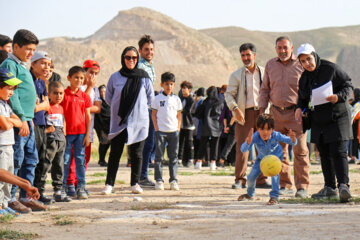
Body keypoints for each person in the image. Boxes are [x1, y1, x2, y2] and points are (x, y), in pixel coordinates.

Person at [295, 43, 353, 202]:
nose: (307, 63)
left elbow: (348, 85)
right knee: (324, 154)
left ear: (314, 55)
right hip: (318, 119)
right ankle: (330, 188)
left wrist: (338, 96)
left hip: (337, 116)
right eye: (303, 61)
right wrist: (299, 109)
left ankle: (343, 187)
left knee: (338, 151)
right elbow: (302, 98)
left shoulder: (331, 68)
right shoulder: (304, 78)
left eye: (309, 59)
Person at [1, 29, 47, 213]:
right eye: (27, 49)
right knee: (16, 161)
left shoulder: (21, 65)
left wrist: (29, 118)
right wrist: (22, 118)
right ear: (16, 46)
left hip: (28, 120)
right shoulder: (9, 65)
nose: (30, 53)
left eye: (33, 50)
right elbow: (13, 95)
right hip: (20, 122)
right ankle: (10, 199)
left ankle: (26, 196)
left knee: (31, 159)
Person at [259, 36, 310, 198]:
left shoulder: (300, 65)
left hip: (296, 114)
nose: (282, 51)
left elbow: (308, 88)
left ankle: (302, 187)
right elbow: (265, 89)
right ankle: (285, 184)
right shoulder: (270, 65)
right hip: (275, 113)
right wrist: (262, 111)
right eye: (279, 48)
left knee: (300, 150)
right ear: (276, 49)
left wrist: (305, 110)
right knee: (278, 152)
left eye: (285, 48)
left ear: (292, 48)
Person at [102, 46, 154, 195]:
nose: (131, 60)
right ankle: (109, 184)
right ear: (123, 58)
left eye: (134, 58)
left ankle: (135, 183)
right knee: (115, 153)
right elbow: (109, 98)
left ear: (137, 59)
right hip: (120, 121)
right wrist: (122, 109)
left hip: (139, 122)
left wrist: (137, 109)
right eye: (128, 57)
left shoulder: (144, 77)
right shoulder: (115, 77)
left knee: (137, 153)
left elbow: (150, 98)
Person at [225, 43, 269, 189]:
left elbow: (271, 92)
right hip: (244, 113)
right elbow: (229, 95)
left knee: (263, 146)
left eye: (248, 55)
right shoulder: (236, 75)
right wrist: (235, 109)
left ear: (254, 55)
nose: (245, 58)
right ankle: (240, 179)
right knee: (243, 147)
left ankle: (262, 179)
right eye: (243, 55)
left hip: (263, 113)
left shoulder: (264, 72)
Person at [238, 114, 297, 205]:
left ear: (272, 129)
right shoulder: (255, 136)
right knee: (250, 178)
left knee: (275, 176)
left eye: (268, 129)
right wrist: (248, 142)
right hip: (261, 160)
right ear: (257, 128)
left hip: (275, 159)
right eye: (262, 129)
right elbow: (243, 149)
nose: (265, 132)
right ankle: (250, 194)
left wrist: (293, 139)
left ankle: (274, 196)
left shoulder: (275, 135)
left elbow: (290, 141)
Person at [66, 60, 101, 196]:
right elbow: (80, 103)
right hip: (74, 129)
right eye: (90, 72)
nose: (93, 76)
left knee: (84, 158)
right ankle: (70, 182)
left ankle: (79, 183)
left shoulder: (96, 89)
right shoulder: (78, 86)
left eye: (96, 73)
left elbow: (97, 108)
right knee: (73, 158)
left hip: (88, 128)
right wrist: (89, 89)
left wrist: (85, 107)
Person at [61, 66, 91, 200]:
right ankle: (63, 187)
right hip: (67, 134)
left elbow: (88, 117)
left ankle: (81, 187)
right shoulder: (63, 95)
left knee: (80, 160)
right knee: (65, 161)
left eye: (81, 78)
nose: (79, 80)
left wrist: (87, 135)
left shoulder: (85, 97)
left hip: (81, 134)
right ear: (69, 78)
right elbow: (60, 113)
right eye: (76, 77)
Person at [151, 72, 182, 190]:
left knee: (173, 157)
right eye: (166, 84)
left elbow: (179, 115)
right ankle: (159, 180)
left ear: (174, 85)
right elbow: (153, 114)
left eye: (171, 84)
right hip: (161, 132)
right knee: (159, 157)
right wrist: (156, 127)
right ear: (161, 84)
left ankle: (173, 180)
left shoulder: (177, 99)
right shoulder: (157, 99)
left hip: (173, 132)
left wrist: (178, 128)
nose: (169, 86)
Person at [0, 68, 23, 216]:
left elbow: (19, 122)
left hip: (9, 146)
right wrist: (10, 121)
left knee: (8, 178)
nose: (12, 92)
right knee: (1, 179)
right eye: (9, 88)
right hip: (1, 147)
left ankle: (4, 204)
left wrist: (10, 120)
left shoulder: (5, 105)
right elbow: (6, 125)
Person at [30, 51, 52, 205]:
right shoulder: (29, 81)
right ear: (33, 64)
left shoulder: (40, 82)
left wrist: (41, 106)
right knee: (32, 161)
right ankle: (29, 194)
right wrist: (40, 106)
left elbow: (47, 105)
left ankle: (39, 192)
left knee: (43, 160)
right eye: (43, 63)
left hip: (41, 125)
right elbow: (32, 107)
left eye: (49, 64)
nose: (46, 67)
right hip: (31, 125)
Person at [45, 81, 71, 202]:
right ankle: (40, 190)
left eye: (61, 93)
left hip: (61, 140)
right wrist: (47, 130)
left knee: (59, 165)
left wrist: (64, 131)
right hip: (50, 141)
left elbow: (63, 121)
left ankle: (58, 191)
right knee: (45, 164)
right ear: (49, 94)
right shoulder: (46, 107)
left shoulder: (60, 108)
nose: (58, 96)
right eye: (55, 93)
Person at [138, 35, 157, 188]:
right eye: (146, 49)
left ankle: (142, 174)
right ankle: (141, 175)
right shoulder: (140, 66)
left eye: (151, 49)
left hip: (150, 109)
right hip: (143, 109)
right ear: (140, 51)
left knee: (149, 143)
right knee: (145, 143)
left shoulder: (150, 66)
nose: (149, 52)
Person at [195, 86, 224, 170]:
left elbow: (198, 113)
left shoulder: (205, 101)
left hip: (205, 125)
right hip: (216, 126)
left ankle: (199, 162)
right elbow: (222, 114)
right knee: (215, 145)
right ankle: (213, 163)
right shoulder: (219, 101)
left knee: (203, 144)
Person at [178, 81, 195, 168]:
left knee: (189, 142)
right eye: (182, 88)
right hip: (180, 124)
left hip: (189, 124)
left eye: (185, 88)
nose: (183, 90)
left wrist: (179, 111)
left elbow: (188, 111)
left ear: (189, 89)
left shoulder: (191, 99)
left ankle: (190, 160)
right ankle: (179, 160)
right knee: (180, 142)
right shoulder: (180, 98)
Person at [94, 85, 111, 167]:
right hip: (101, 125)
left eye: (104, 91)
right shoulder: (98, 101)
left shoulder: (109, 101)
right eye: (101, 92)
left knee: (108, 143)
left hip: (109, 126)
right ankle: (101, 160)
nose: (103, 93)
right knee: (103, 143)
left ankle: (102, 159)